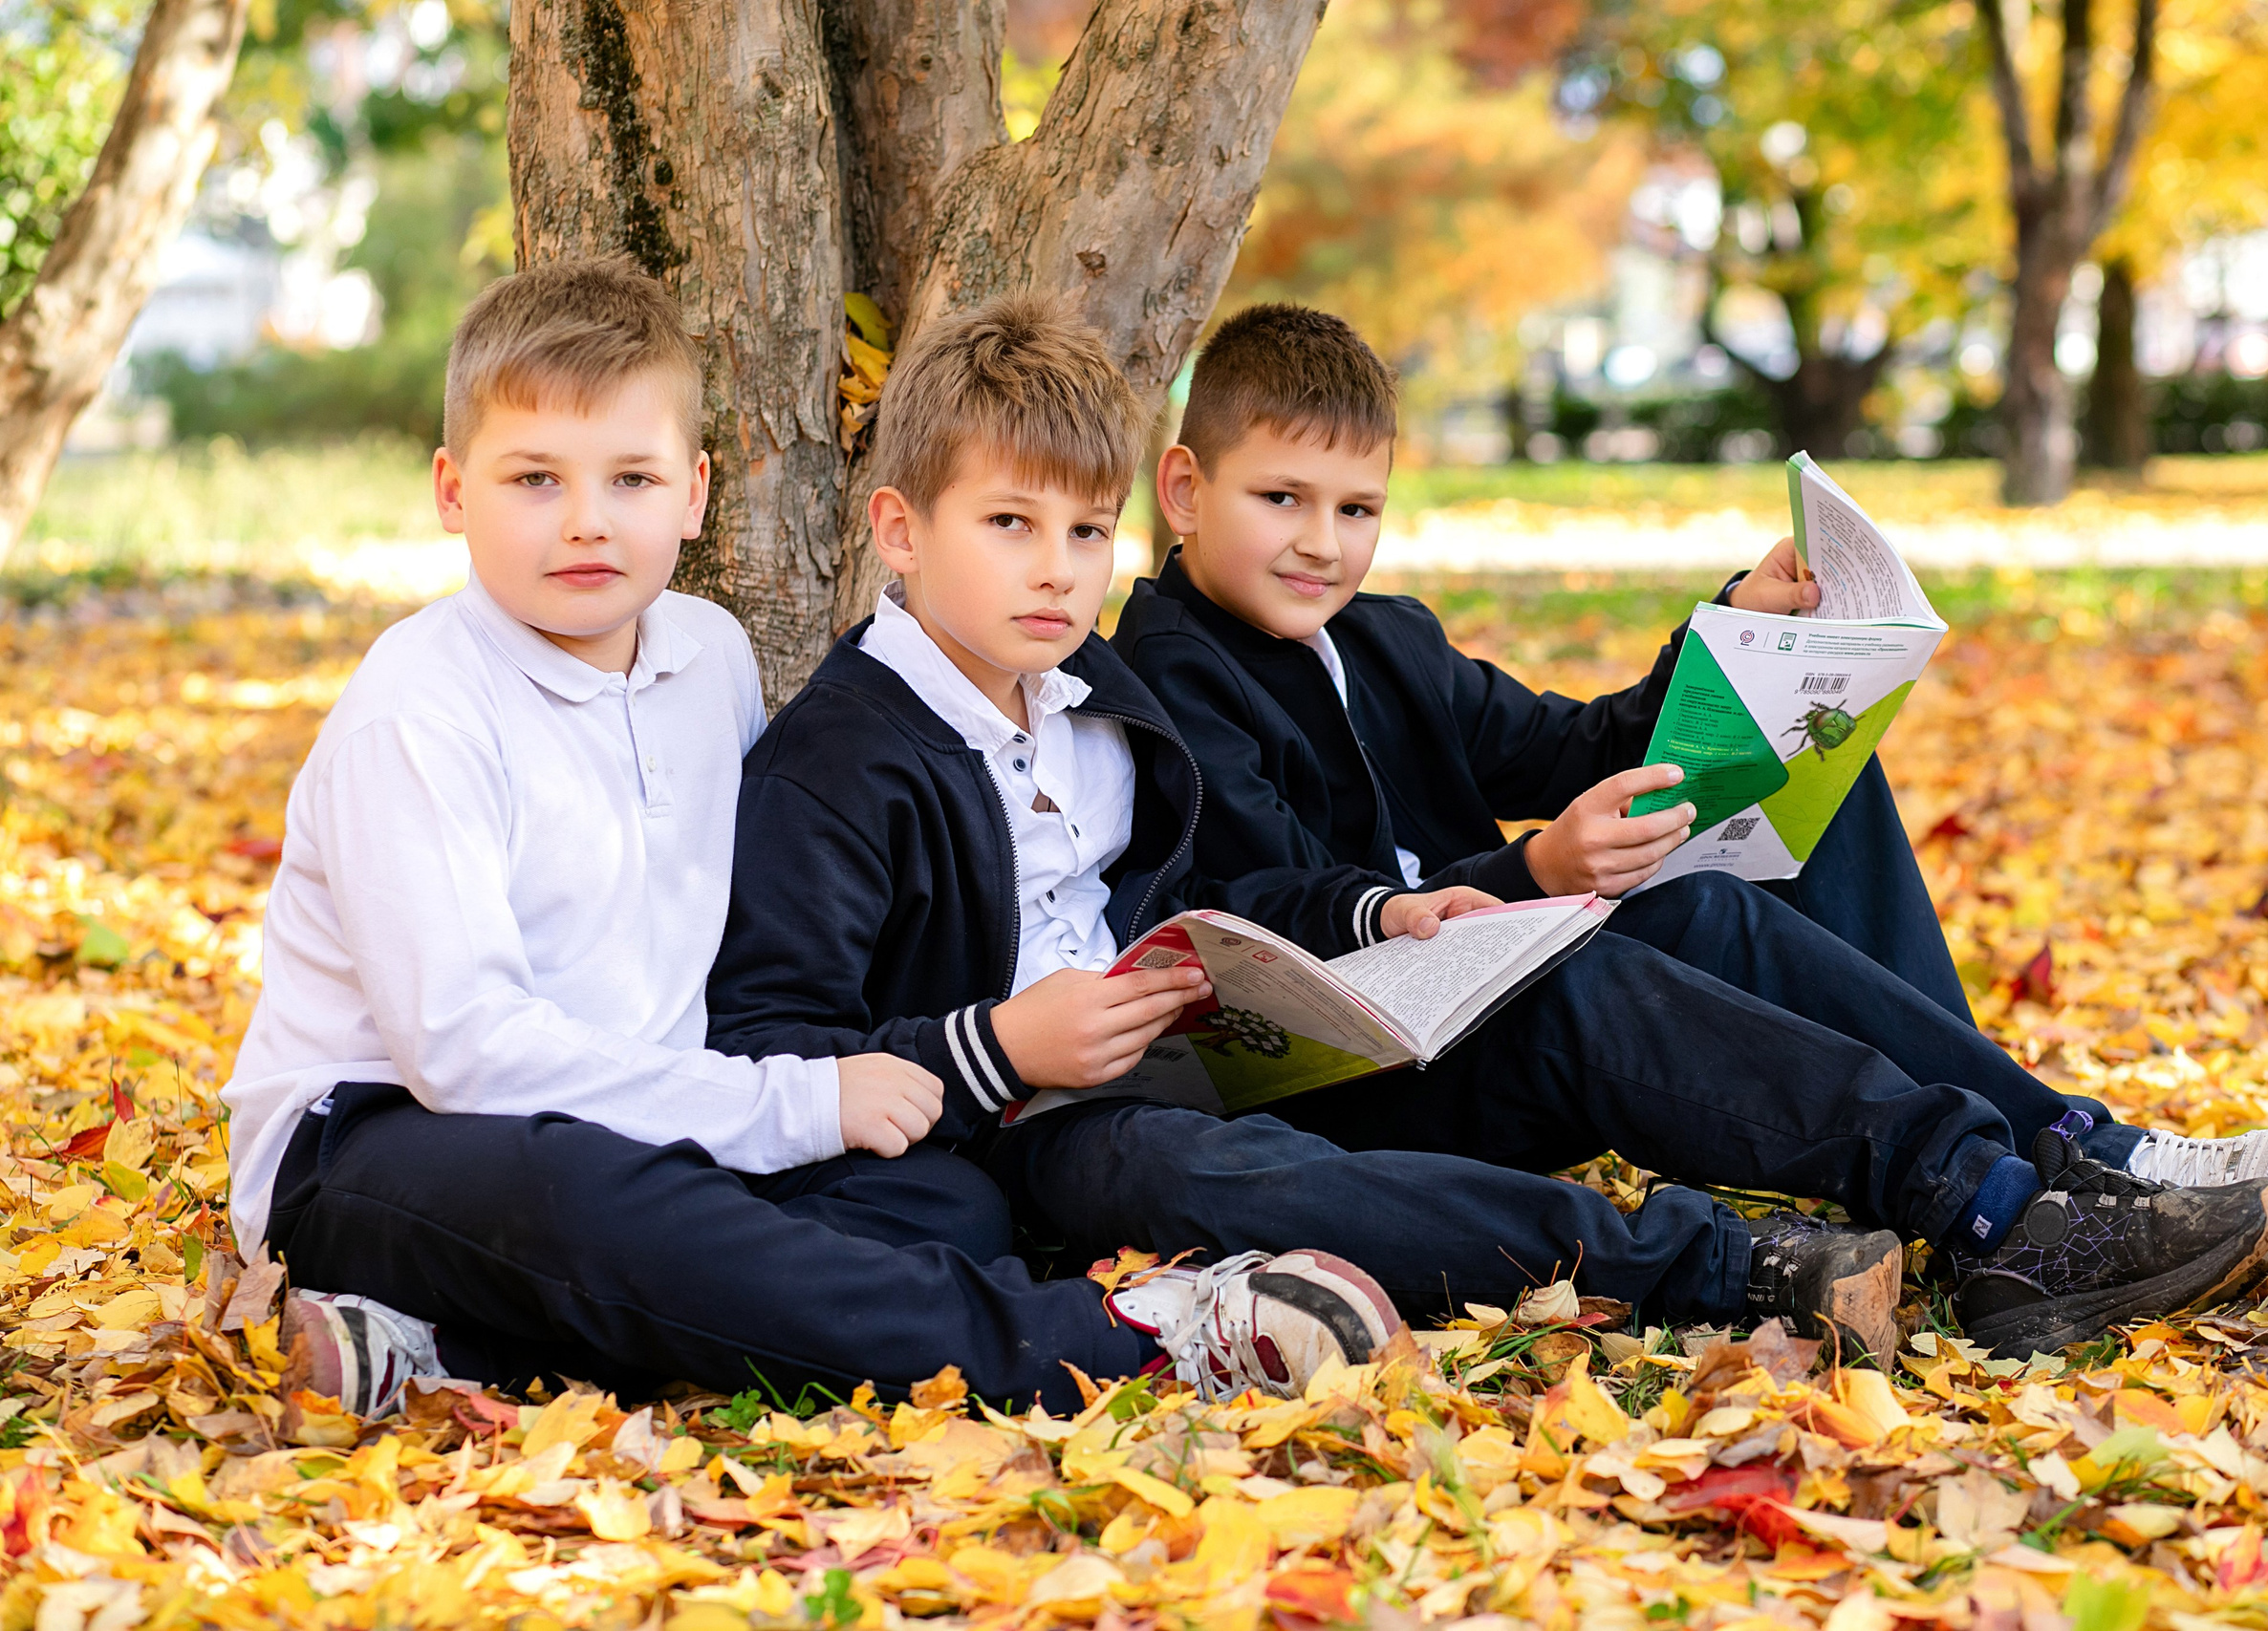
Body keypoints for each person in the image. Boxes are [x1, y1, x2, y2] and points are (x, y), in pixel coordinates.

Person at [705, 294, 2268, 1365]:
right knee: (1612, 951)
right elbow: (1230, 886)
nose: (1054, 568)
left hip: (1352, 1008)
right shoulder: (1091, 693)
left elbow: (1539, 748)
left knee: (1718, 879)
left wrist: (1725, 642)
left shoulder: (1103, 699)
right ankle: (1950, 1205)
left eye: (1074, 530)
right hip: (1173, 1088)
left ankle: (2030, 1174)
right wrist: (1461, 894)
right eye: (1009, 528)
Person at [221, 258, 1398, 1420]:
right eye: (534, 478)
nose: (587, 521)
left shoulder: (706, 654)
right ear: (450, 491)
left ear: (692, 495)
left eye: (630, 479)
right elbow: (466, 1057)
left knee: (942, 1206)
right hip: (383, 1140)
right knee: (590, 1195)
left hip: (661, 1116)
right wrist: (793, 1104)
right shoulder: (418, 707)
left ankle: (440, 1349)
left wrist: (795, 1104)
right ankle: (1120, 1341)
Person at [1111, 301, 2268, 1234]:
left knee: (1799, 767)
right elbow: (1270, 917)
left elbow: (1582, 743)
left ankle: (2046, 1141)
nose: (1323, 542)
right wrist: (1533, 866)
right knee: (1690, 901)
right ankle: (2062, 1161)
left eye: (1357, 508)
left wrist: (1739, 635)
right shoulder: (1168, 675)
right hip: (1357, 1069)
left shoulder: (1384, 640)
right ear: (1184, 487)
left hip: (1485, 981)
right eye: (1282, 497)